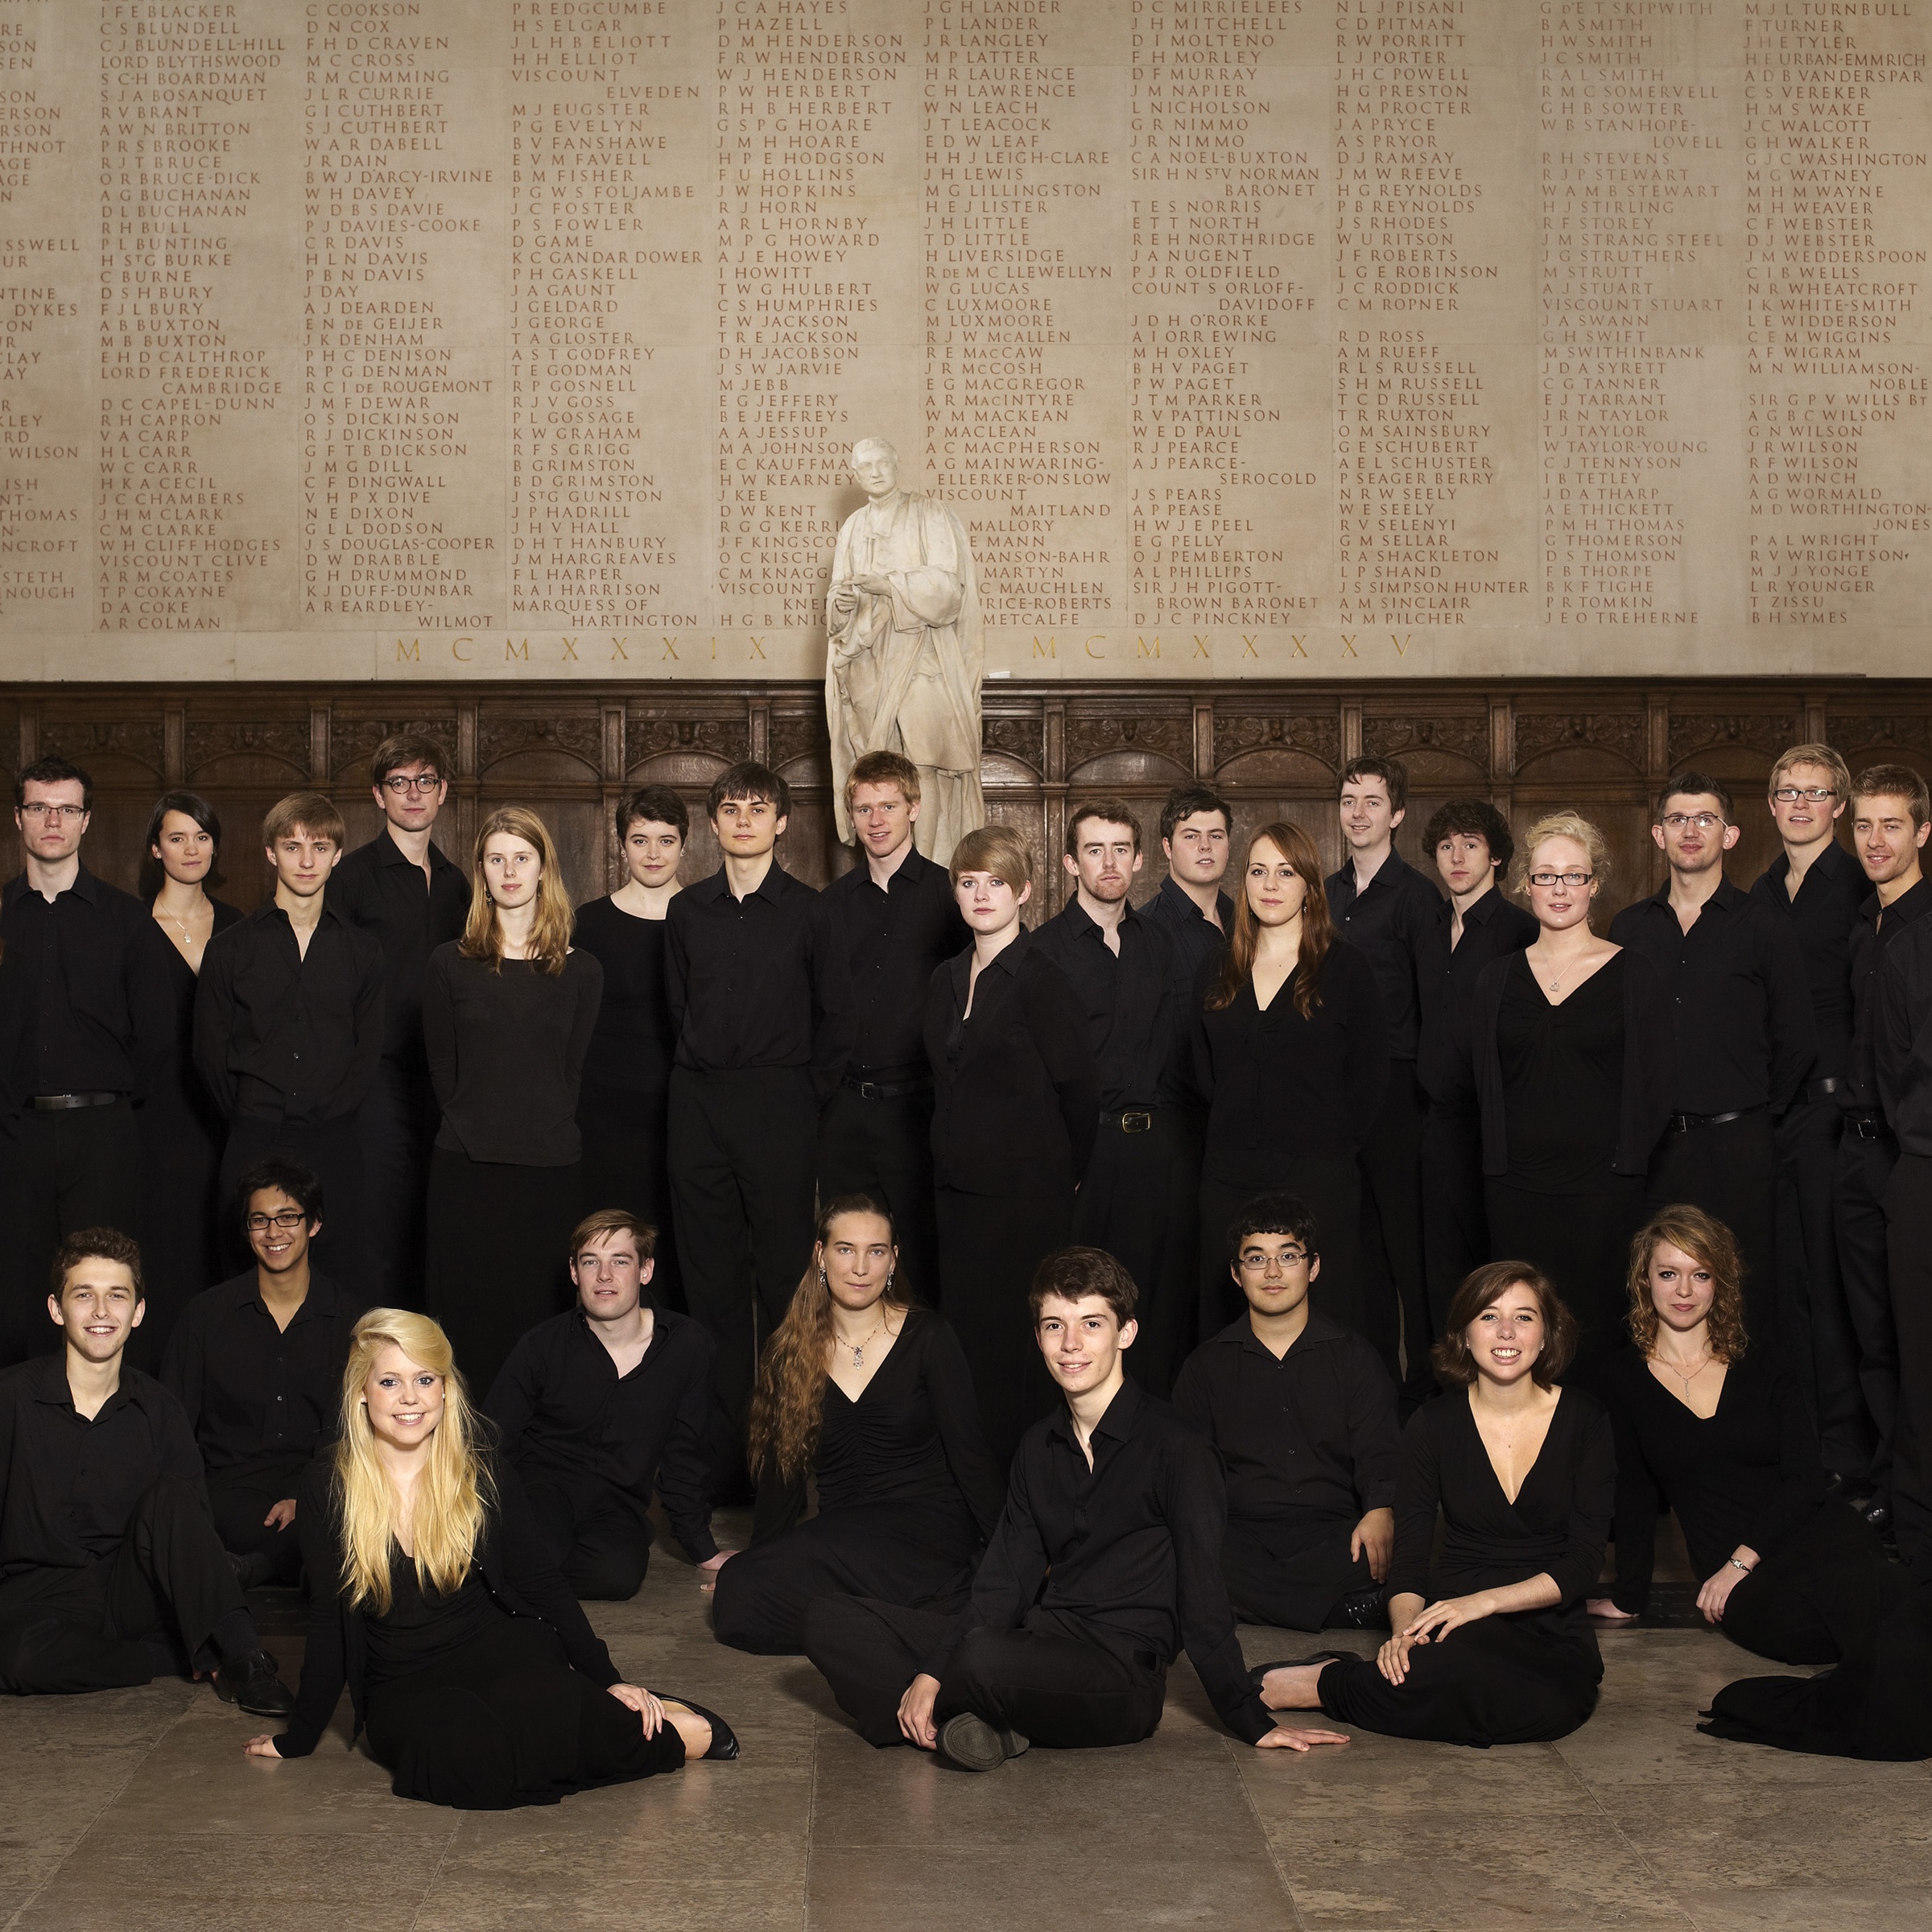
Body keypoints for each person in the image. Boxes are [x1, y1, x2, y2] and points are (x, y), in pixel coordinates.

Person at [800, 1247, 1348, 1765]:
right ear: (1038, 1338)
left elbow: (1205, 1595)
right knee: (830, 1617)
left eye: (1091, 1324)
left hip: (1122, 1678)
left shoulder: (1177, 1446)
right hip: (1041, 1641)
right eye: (1054, 1326)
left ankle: (970, 1711)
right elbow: (1003, 1582)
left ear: (1125, 1333)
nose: (1071, 1345)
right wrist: (933, 1670)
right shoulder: (1039, 1447)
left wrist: (1250, 1720)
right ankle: (980, 1724)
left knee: (980, 1657)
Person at [240, 1307, 735, 1806]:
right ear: (362, 1391)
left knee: (547, 1712)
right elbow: (328, 1619)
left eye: (425, 1379)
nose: (410, 1397)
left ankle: (662, 1732)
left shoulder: (481, 1472)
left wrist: (609, 1680)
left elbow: (543, 1583)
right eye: (390, 1381)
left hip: (498, 1648)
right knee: (468, 1762)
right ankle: (612, 1733)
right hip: (402, 1682)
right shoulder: (329, 1484)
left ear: (445, 1390)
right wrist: (298, 1737)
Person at [1253, 1262, 1616, 1748]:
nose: (1507, 1332)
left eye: (1525, 1318)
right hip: (1452, 1621)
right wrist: (1406, 1635)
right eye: (1489, 1317)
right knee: (1447, 1678)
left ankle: (1332, 1681)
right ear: (1465, 1334)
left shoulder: (1586, 1420)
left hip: (1547, 1622)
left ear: (1547, 1335)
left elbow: (1585, 1561)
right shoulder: (1432, 1423)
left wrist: (1483, 1604)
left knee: (1547, 1711)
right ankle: (1331, 1682)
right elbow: (1411, 1553)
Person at [1584, 1207, 1908, 1662]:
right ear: (1644, 1280)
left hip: (1816, 1537)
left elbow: (1806, 1479)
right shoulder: (1621, 1377)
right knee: (1805, 1636)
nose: (1683, 1290)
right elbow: (1634, 1495)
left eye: (1701, 1275)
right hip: (1729, 1573)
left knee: (1886, 1614)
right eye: (1668, 1273)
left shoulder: (1765, 1364)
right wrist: (1629, 1596)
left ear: (1720, 1284)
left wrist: (1741, 1562)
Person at [0, 1228, 292, 1714]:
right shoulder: (10, 1398)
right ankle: (173, 1657)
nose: (100, 1312)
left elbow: (189, 1525)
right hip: (37, 1598)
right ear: (57, 1309)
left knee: (172, 1498)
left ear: (137, 1312)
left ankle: (244, 1658)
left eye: (116, 1296)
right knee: (17, 1661)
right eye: (84, 1295)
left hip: (128, 1591)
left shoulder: (160, 1409)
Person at [665, 762, 854, 1495]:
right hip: (699, 1104)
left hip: (780, 1105)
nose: (744, 819)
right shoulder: (689, 912)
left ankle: (786, 1464)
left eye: (759, 808)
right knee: (708, 1285)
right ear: (713, 826)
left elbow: (837, 1021)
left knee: (783, 1285)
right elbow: (677, 1011)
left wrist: (799, 1098)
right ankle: (723, 1468)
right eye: (731, 808)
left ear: (782, 823)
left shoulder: (812, 912)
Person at [712, 1195, 1003, 1655]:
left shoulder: (929, 1337)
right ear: (820, 1255)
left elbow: (971, 1456)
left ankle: (899, 1618)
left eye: (877, 1251)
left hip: (929, 1526)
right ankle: (900, 1623)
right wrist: (765, 1558)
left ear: (893, 1260)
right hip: (845, 1535)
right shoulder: (789, 1350)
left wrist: (1012, 1556)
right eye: (846, 1249)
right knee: (737, 1596)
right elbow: (782, 1473)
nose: (861, 1267)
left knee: (777, 1585)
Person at [1608, 771, 1816, 1357]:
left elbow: (1796, 1041)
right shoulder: (1628, 930)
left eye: (1705, 819)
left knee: (1744, 1301)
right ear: (1657, 834)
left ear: (1730, 835)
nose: (1691, 830)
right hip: (1653, 1154)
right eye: (1678, 819)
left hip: (1738, 1149)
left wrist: (1749, 1112)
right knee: (1650, 1302)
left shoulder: (1766, 926)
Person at [1468, 815, 1675, 1367]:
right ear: (1524, 886)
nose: (1559, 889)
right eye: (1545, 876)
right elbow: (1484, 1086)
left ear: (1595, 883)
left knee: (1600, 1342)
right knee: (1519, 1339)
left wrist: (1620, 1167)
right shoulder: (1494, 981)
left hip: (1604, 1196)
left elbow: (1658, 1088)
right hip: (1516, 1193)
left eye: (1573, 875)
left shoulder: (1635, 974)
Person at [925, 824, 1099, 1470]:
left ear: (1024, 890)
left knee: (1018, 1347)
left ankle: (1026, 1485)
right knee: (965, 1341)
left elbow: (1081, 1093)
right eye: (968, 883)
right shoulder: (945, 977)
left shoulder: (1042, 978)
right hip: (958, 1196)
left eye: (995, 882)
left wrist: (1065, 1175)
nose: (981, 895)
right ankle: (975, 1483)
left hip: (1028, 1197)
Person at [0, 753, 173, 1367]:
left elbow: (157, 1040)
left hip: (103, 1133)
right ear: (19, 819)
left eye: (67, 808)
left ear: (86, 821)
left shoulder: (127, 921)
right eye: (40, 808)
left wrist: (115, 1113)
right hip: (14, 1133)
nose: (54, 820)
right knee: (17, 1289)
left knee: (102, 1283)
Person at [423, 807, 602, 1400]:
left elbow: (571, 1073)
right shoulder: (449, 964)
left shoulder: (583, 972)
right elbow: (443, 1075)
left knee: (543, 1328)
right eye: (496, 859)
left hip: (548, 1171)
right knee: (469, 1326)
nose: (509, 871)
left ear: (544, 867)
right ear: (481, 870)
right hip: (467, 1168)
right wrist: (483, 1125)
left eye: (521, 858)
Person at [1191, 821, 1387, 1340]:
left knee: (1322, 1325)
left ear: (1309, 887)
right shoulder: (1217, 967)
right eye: (1258, 872)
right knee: (1230, 1322)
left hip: (1317, 1176)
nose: (1270, 885)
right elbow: (1200, 1073)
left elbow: (1369, 1082)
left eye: (1286, 872)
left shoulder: (1346, 969)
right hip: (1229, 1175)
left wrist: (1328, 1146)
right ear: (1245, 883)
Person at [1174, 1194, 1400, 1631]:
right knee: (1178, 1551)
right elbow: (1188, 1471)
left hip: (1335, 1533)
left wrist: (1380, 1510)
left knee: (1397, 1544)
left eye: (1288, 1255)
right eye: (1256, 1258)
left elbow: (1381, 1447)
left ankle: (1244, 1606)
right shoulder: (1205, 1366)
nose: (1273, 1272)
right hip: (1241, 1536)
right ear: (1237, 1275)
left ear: (1312, 1267)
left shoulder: (1354, 1357)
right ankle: (1345, 1610)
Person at [1033, 799, 1194, 1396]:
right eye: (1095, 850)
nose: (1110, 862)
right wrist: (1063, 1161)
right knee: (1081, 1297)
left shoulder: (1159, 944)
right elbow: (1039, 1073)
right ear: (1072, 862)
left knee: (1156, 1301)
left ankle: (1151, 1444)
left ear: (1141, 859)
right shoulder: (1045, 950)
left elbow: (1179, 1051)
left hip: (1156, 1149)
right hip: (1084, 1151)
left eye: (1121, 849)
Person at [195, 792, 385, 1291]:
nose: (306, 860)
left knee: (340, 1275)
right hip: (254, 1134)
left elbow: (368, 1053)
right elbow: (209, 1055)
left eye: (319, 847)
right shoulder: (228, 949)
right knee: (241, 1277)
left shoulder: (363, 952)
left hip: (334, 1137)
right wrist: (249, 1113)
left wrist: (330, 1112)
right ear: (270, 852)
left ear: (337, 855)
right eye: (293, 845)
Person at [485, 1208, 722, 1601]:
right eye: (590, 1261)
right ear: (575, 1273)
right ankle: (513, 1567)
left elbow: (686, 1452)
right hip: (542, 1489)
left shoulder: (687, 1345)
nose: (605, 1276)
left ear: (645, 1271)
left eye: (620, 1261)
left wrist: (704, 1551)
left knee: (617, 1579)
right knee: (536, 1547)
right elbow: (493, 1439)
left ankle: (517, 1573)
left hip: (618, 1504)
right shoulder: (541, 1345)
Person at [1751, 745, 1867, 1493]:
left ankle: (1849, 1458)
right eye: (1787, 791)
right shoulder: (1762, 891)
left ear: (1839, 806)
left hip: (1834, 1108)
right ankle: (1800, 1448)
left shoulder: (1858, 884)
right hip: (1774, 1110)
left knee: (1835, 1292)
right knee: (1783, 1285)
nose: (1799, 804)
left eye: (1815, 793)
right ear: (1770, 805)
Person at [161, 1161, 363, 1588]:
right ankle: (301, 1561)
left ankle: (262, 1566)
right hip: (230, 1493)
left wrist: (305, 1498)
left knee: (340, 1518)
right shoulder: (205, 1316)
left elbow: (352, 1431)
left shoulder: (352, 1320)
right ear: (247, 1230)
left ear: (314, 1225)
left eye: (288, 1217)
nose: (273, 1233)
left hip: (322, 1488)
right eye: (260, 1220)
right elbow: (172, 1423)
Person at [817, 750, 968, 1310]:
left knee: (923, 1264)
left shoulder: (950, 896)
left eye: (888, 806)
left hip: (920, 1110)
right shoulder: (829, 906)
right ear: (851, 817)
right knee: (843, 1262)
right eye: (863, 808)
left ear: (914, 808)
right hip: (846, 1112)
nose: (876, 820)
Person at [330, 733, 469, 1311]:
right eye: (399, 783)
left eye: (425, 781)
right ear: (378, 796)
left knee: (435, 1224)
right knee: (380, 1225)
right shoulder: (352, 877)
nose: (413, 793)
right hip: (377, 1075)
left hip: (447, 1079)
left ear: (443, 793)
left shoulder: (459, 883)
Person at [1326, 757, 1442, 1400]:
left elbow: (1430, 1007)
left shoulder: (1418, 898)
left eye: (1373, 801)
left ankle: (1425, 1394)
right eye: (1349, 800)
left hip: (1400, 1090)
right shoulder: (1328, 892)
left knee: (1406, 1250)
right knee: (1356, 1251)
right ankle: (1369, 1392)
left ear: (1397, 814)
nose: (1359, 813)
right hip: (1339, 1093)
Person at [1835, 764, 1932, 1535]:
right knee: (1870, 1335)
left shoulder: (1926, 927)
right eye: (1863, 825)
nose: (1874, 840)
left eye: (1891, 825)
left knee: (1916, 1338)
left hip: (1912, 1157)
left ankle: (1914, 1510)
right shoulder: (1863, 922)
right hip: (1857, 1150)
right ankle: (1888, 1488)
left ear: (1923, 832)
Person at [826, 437, 986, 865]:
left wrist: (889, 585)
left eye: (883, 462)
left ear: (897, 464)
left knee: (925, 760)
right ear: (856, 475)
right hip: (869, 663)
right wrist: (840, 608)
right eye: (866, 466)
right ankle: (888, 875)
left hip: (923, 656)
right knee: (881, 771)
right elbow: (839, 599)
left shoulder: (930, 514)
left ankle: (930, 867)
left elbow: (949, 592)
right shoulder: (853, 527)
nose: (876, 471)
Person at [1415, 800, 1538, 1341]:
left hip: (1496, 1124)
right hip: (1435, 1123)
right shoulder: (1428, 926)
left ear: (1496, 857)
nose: (1457, 856)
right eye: (1445, 846)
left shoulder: (1520, 929)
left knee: (1496, 1268)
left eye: (1470, 844)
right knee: (1440, 1267)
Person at [572, 786, 687, 1310]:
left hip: (680, 1111)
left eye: (666, 840)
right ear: (621, 845)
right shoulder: (587, 923)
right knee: (605, 1247)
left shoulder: (703, 919)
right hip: (602, 1114)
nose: (653, 852)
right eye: (640, 839)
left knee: (675, 1248)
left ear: (684, 845)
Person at [138, 790, 243, 1360]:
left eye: (202, 836)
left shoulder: (239, 927)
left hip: (226, 1113)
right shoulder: (130, 928)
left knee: (220, 1250)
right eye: (177, 837)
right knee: (165, 1251)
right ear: (156, 848)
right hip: (155, 1117)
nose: (192, 848)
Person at [1876, 883, 1932, 1576]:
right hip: (1923, 1167)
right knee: (1919, 1365)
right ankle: (1921, 1546)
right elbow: (1893, 1071)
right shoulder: (1909, 950)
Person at [1141, 783, 1236, 973]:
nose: (1205, 846)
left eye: (1215, 836)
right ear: (1168, 848)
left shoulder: (1242, 918)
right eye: (1191, 836)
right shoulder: (1146, 931)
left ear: (1228, 847)